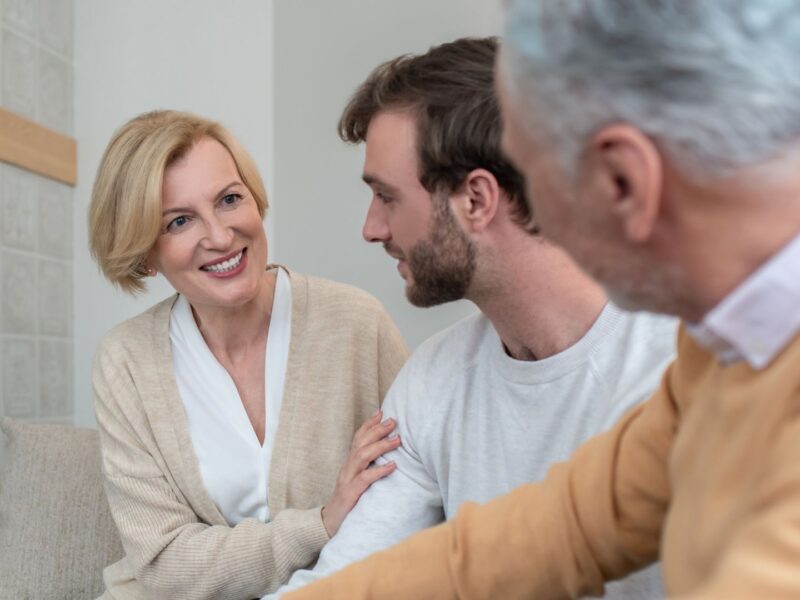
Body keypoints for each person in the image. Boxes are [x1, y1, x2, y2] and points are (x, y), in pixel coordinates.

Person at [282, 2, 800, 598]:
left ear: (623, 179)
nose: (535, 211)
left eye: (538, 173)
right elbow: (554, 533)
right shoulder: (718, 354)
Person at [88, 110, 409, 599]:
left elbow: (419, 489)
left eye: (230, 200)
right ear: (145, 253)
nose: (219, 236)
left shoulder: (355, 323)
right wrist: (321, 523)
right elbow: (165, 566)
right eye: (179, 221)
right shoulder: (126, 362)